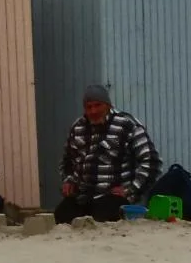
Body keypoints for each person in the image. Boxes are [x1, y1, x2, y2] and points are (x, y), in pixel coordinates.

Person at [54, 84, 161, 223]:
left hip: (112, 198)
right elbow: (66, 161)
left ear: (108, 105)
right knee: (60, 216)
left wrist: (130, 190)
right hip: (82, 197)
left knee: (102, 217)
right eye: (89, 107)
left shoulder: (126, 125)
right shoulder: (77, 127)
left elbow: (152, 162)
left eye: (98, 105)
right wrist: (68, 180)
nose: (93, 111)